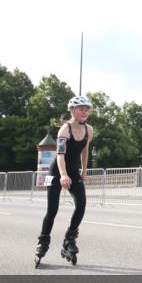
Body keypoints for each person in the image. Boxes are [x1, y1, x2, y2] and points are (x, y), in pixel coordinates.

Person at [35, 95, 94, 267]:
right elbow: (60, 155)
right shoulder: (64, 130)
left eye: (87, 109)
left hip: (73, 172)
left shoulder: (89, 129)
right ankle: (43, 241)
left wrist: (84, 171)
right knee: (52, 209)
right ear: (72, 110)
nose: (84, 112)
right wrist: (62, 175)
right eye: (81, 109)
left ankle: (69, 239)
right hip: (55, 172)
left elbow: (85, 151)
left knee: (81, 204)